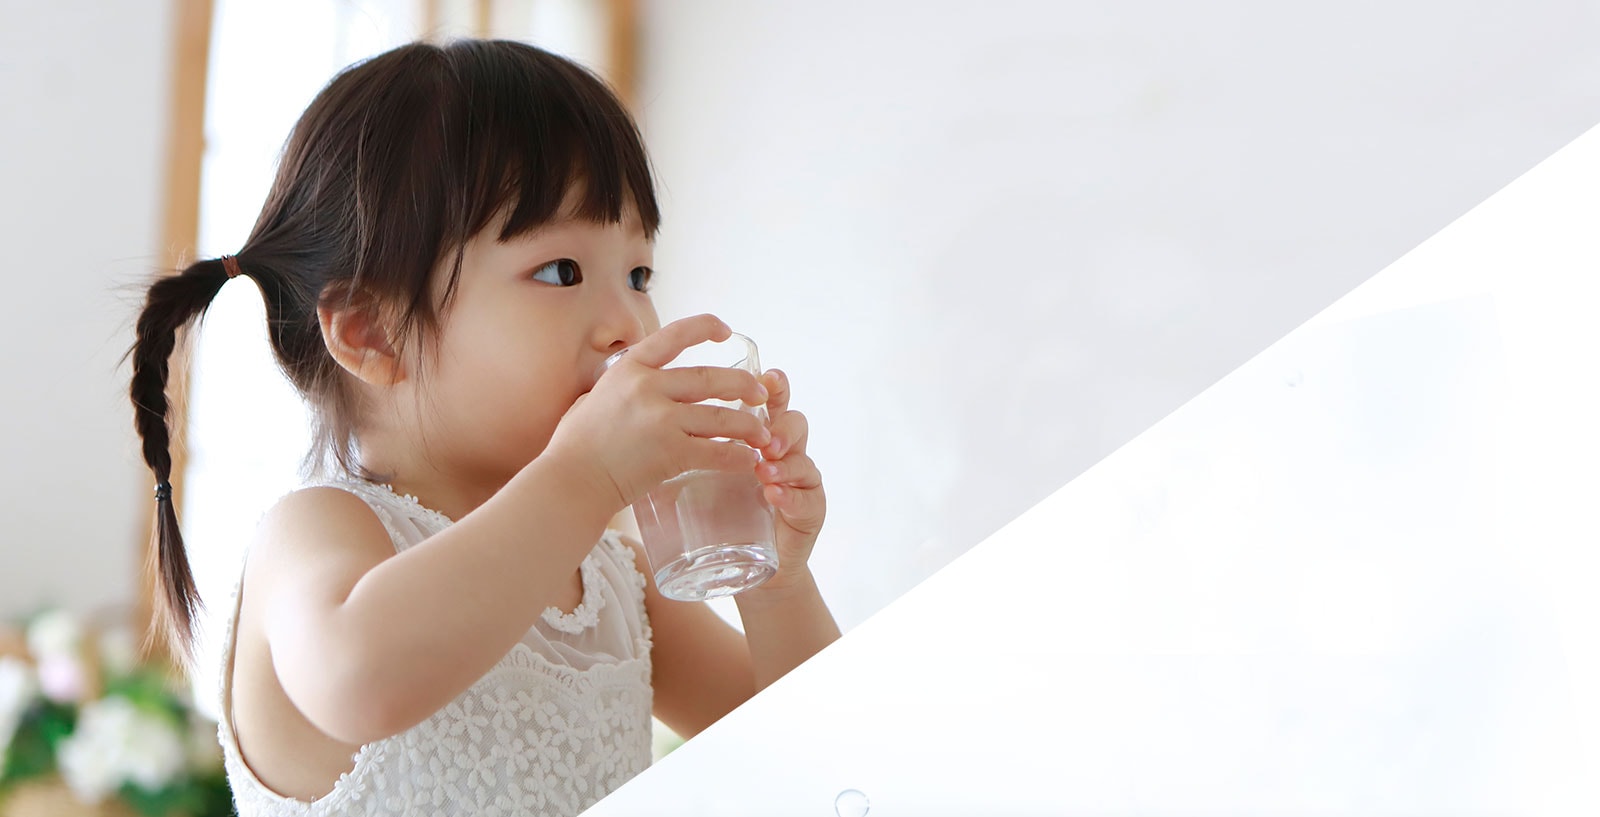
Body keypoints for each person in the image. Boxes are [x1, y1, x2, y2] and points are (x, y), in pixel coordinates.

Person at [124, 38, 840, 816]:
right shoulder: (319, 531)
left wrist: (774, 579)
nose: (630, 323)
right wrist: (585, 476)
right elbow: (363, 677)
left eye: (639, 273)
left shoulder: (612, 577)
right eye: (561, 272)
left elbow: (807, 752)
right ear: (372, 333)